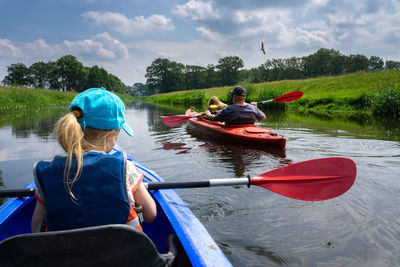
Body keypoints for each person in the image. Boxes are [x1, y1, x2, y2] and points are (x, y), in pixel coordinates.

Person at [31, 88, 156, 232]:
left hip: (64, 252)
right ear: (111, 135)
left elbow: (36, 226)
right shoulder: (126, 168)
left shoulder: (47, 173)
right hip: (121, 251)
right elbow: (151, 214)